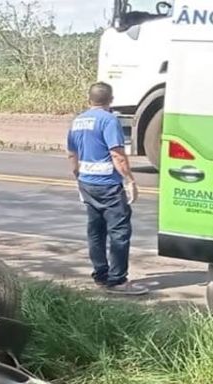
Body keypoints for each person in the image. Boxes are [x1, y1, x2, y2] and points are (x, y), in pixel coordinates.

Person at [67, 82, 148, 295]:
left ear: (89, 99)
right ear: (111, 100)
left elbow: (72, 155)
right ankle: (117, 280)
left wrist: (78, 177)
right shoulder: (109, 121)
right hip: (108, 185)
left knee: (96, 230)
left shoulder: (77, 121)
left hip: (87, 182)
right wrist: (130, 180)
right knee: (119, 231)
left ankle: (101, 274)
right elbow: (117, 155)